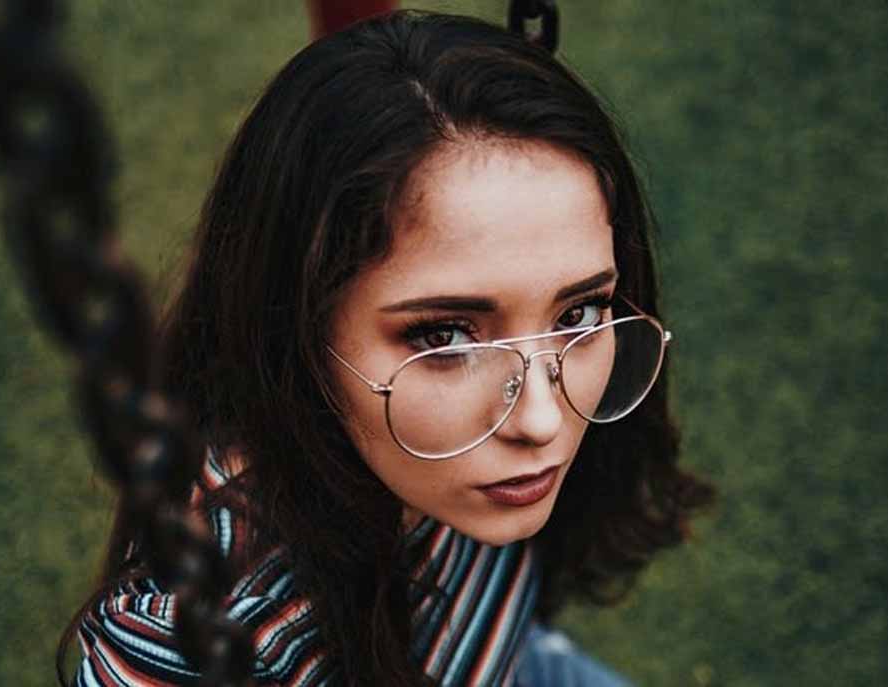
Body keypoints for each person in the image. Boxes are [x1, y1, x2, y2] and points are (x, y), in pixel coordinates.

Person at [60, 10, 713, 686]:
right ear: (299, 331)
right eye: (445, 336)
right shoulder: (199, 631)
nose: (543, 421)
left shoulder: (457, 465)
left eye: (578, 312)